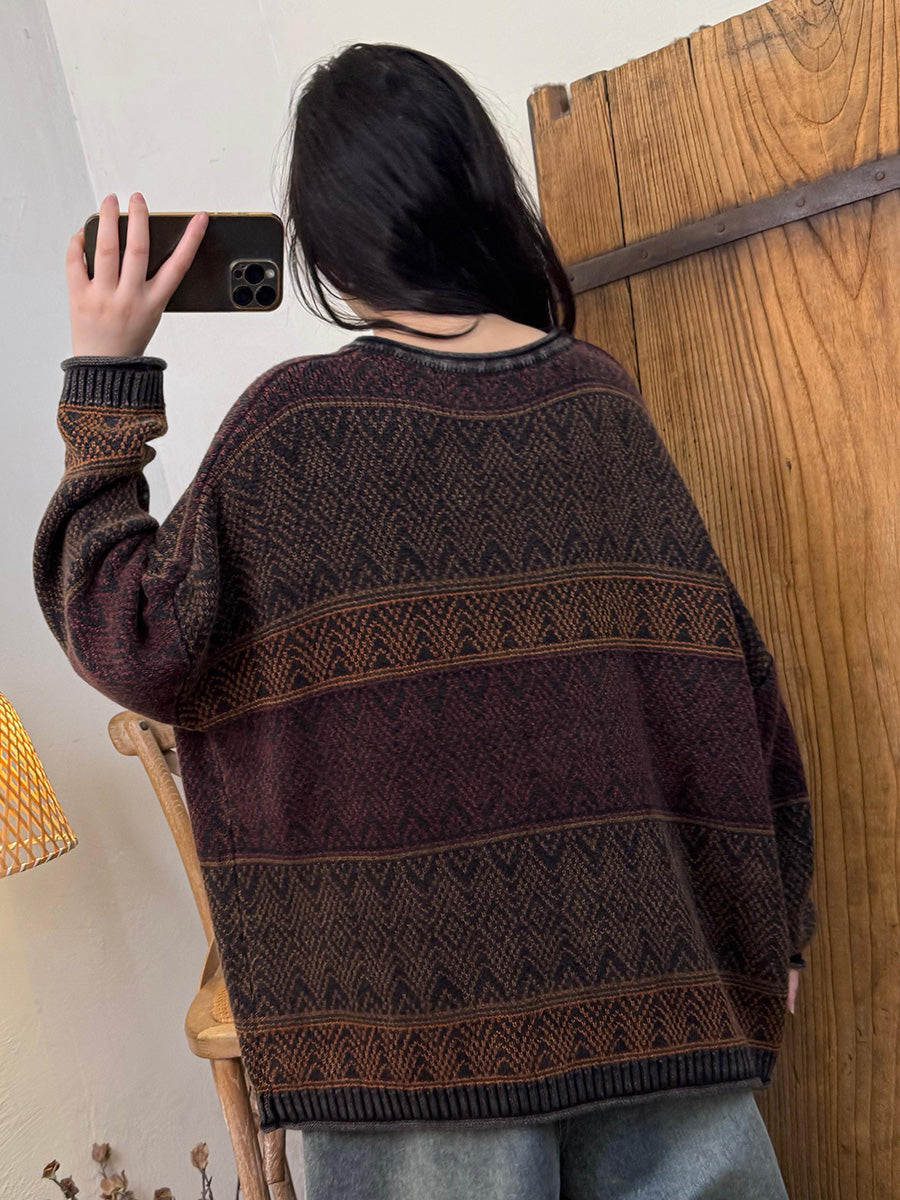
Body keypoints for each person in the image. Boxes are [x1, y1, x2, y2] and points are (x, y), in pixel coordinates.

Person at [34, 42, 815, 1200]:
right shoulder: (600, 401)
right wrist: (776, 920)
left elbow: (128, 631)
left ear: (326, 244)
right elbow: (730, 682)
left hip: (406, 1038)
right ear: (478, 195)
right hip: (657, 992)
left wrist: (105, 379)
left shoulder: (294, 430)